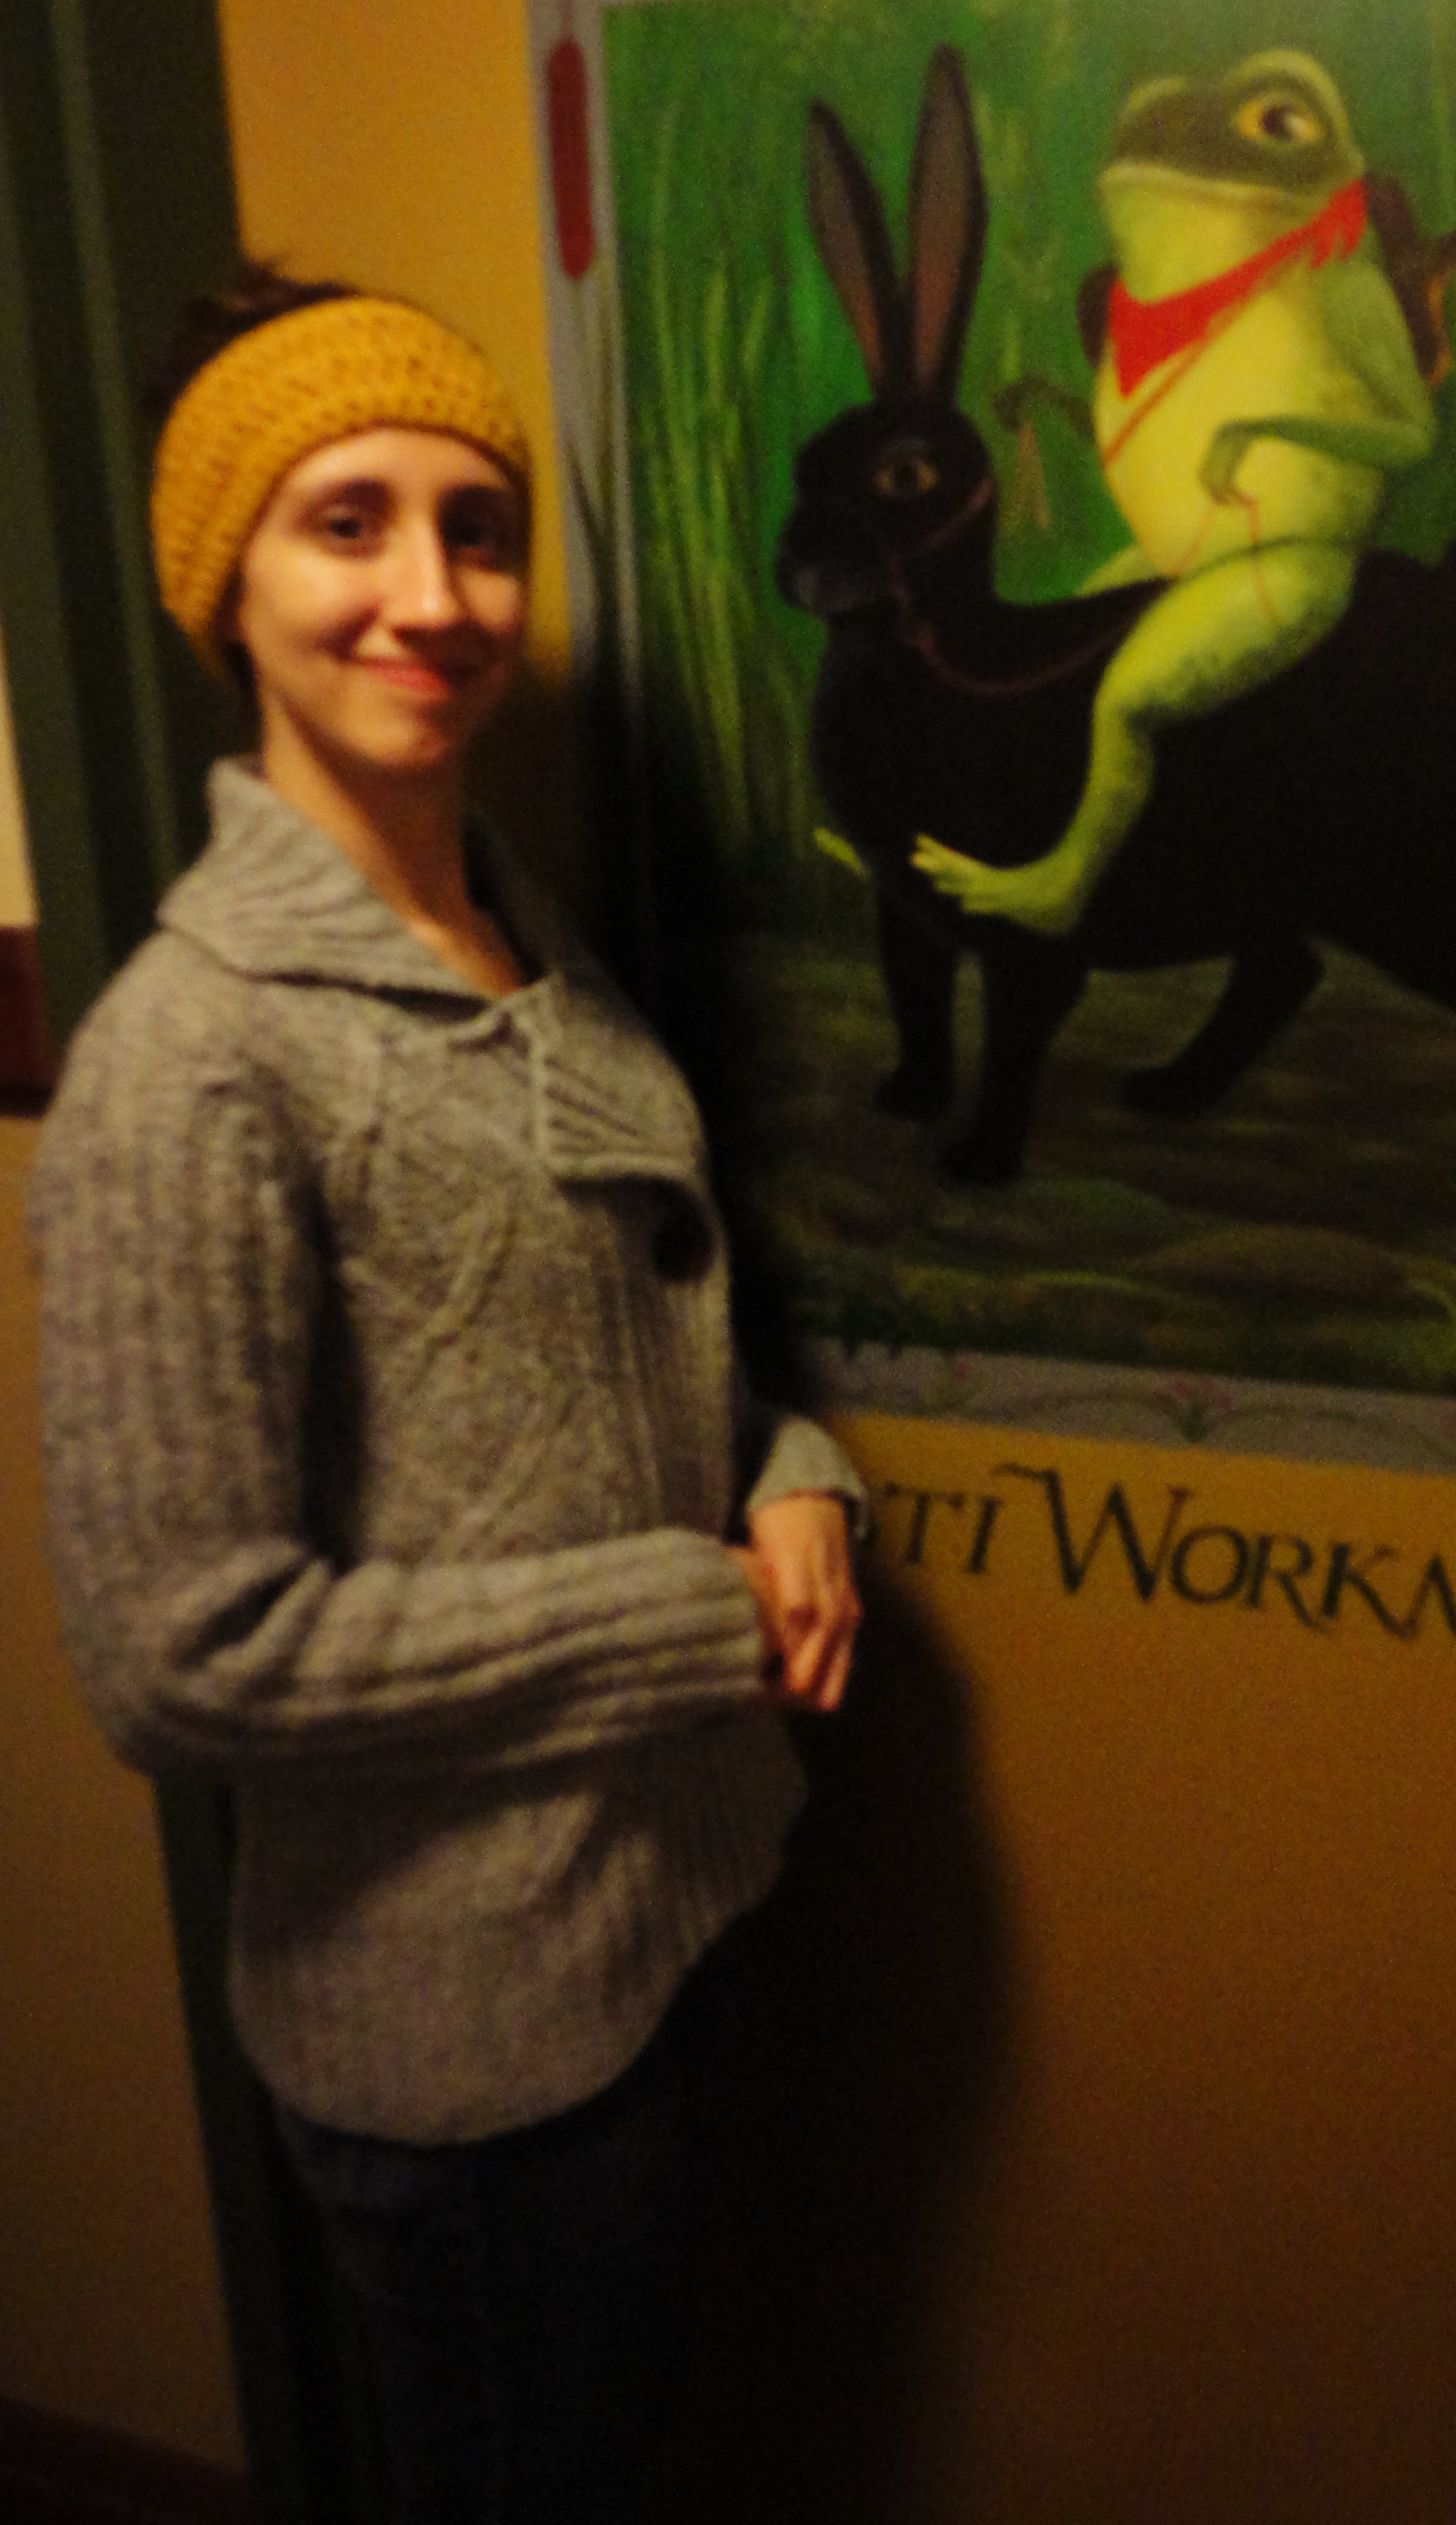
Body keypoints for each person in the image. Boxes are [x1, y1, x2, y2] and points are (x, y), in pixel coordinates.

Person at [30, 267, 863, 2524]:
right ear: (228, 584)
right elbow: (180, 1655)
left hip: (667, 1916)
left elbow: (630, 1344)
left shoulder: (526, 934)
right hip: (463, 2044)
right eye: (349, 524)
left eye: (477, 530)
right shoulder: (192, 1060)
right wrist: (688, 1619)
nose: (433, 594)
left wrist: (792, 1476)